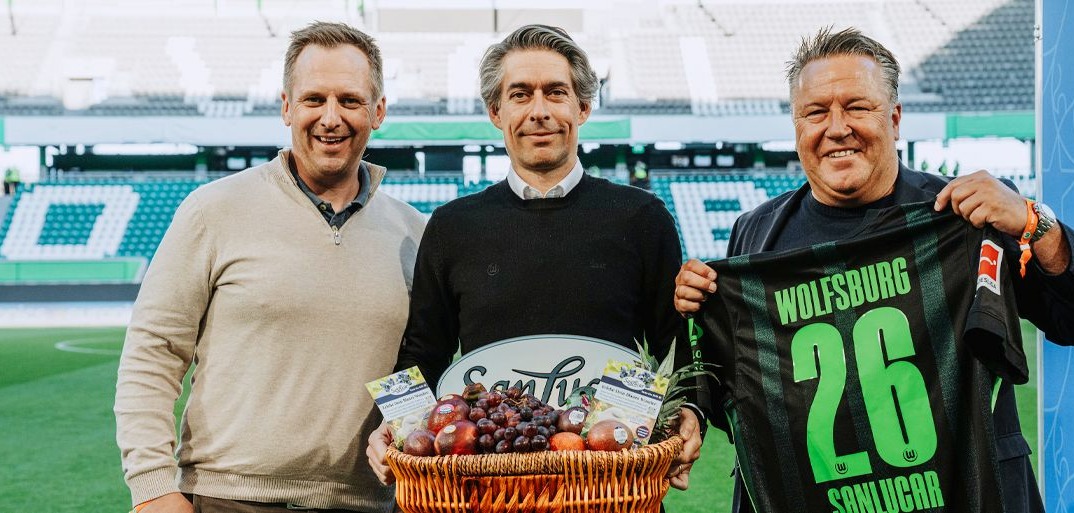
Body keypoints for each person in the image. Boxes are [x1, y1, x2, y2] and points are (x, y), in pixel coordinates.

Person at [674, 27, 1074, 513]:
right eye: (815, 112)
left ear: (895, 118)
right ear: (797, 127)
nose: (836, 128)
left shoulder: (966, 214)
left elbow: (1068, 317)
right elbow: (727, 388)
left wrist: (1036, 224)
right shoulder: (756, 235)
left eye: (857, 107)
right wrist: (697, 311)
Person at [367, 24, 703, 491]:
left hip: (614, 486)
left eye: (556, 93)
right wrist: (394, 424)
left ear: (582, 107)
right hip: (490, 489)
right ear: (496, 111)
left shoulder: (643, 218)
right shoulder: (451, 226)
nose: (539, 111)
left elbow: (674, 347)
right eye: (520, 94)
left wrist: (693, 410)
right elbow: (424, 351)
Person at [114, 22, 426, 513]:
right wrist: (152, 486)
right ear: (286, 107)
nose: (330, 118)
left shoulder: (415, 234)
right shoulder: (213, 210)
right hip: (229, 497)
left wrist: (407, 441)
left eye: (349, 100)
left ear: (378, 111)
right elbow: (153, 350)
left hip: (366, 502)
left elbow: (414, 367)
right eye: (313, 99)